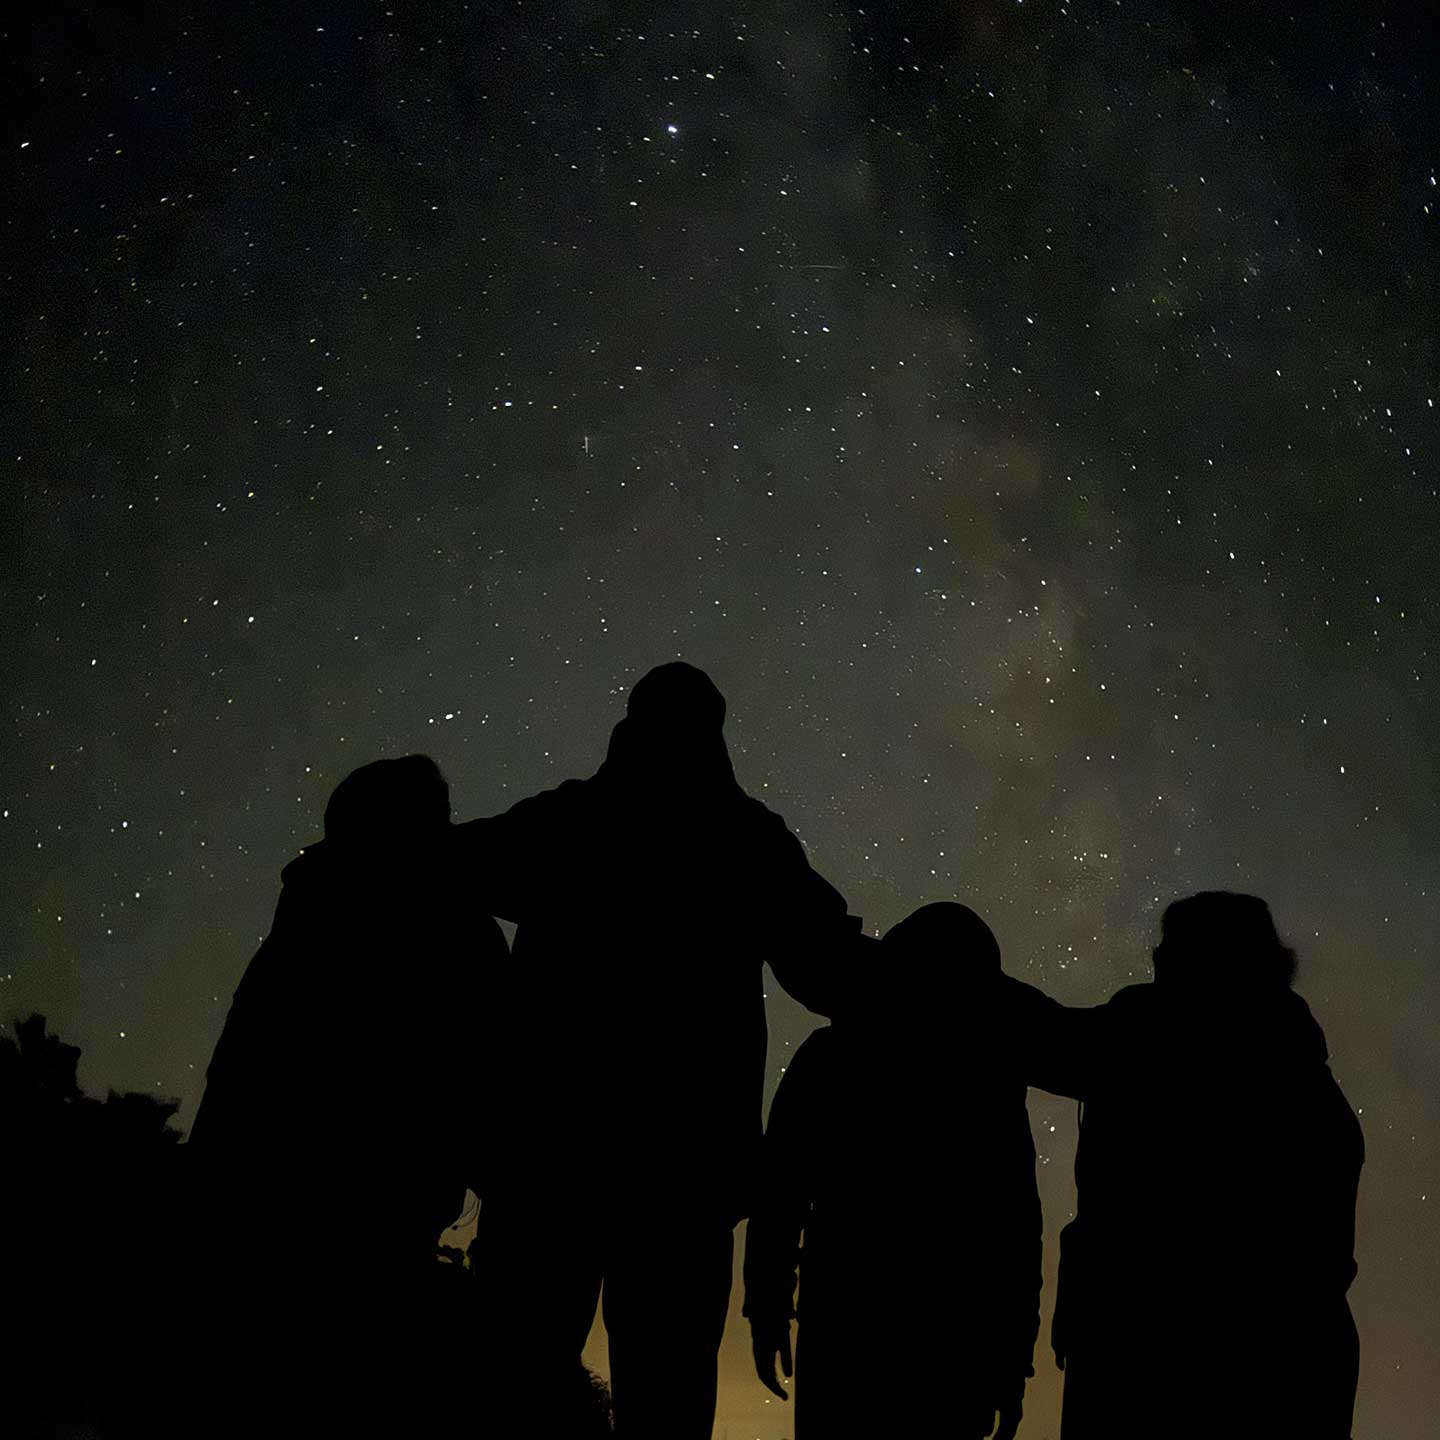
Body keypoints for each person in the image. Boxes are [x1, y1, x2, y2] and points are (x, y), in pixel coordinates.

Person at [455, 661, 873, 1440]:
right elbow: (831, 967)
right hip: (674, 1173)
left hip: (555, 1162)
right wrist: (946, 992)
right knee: (659, 1401)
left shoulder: (572, 823)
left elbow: (446, 867)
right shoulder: (742, 838)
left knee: (515, 1393)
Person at [189, 755, 504, 1434]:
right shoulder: (458, 923)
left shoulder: (304, 918)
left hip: (273, 1191)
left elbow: (240, 1061)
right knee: (353, 1387)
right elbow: (485, 1061)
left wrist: (208, 1176)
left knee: (271, 1381)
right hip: (385, 1198)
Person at [1011, 892, 1364, 1440]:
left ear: (1206, 959)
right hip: (1295, 1371)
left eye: (1170, 945)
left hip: (1150, 1362)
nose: (1155, 956)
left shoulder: (1151, 1040)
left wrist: (932, 973)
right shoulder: (1307, 1082)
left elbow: (1037, 1038)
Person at [744, 902, 1042, 1439]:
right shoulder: (989, 1083)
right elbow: (1014, 1230)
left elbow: (780, 1196)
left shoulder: (831, 1056)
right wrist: (1011, 1361)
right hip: (948, 1335)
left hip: (852, 1324)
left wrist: (766, 1306)